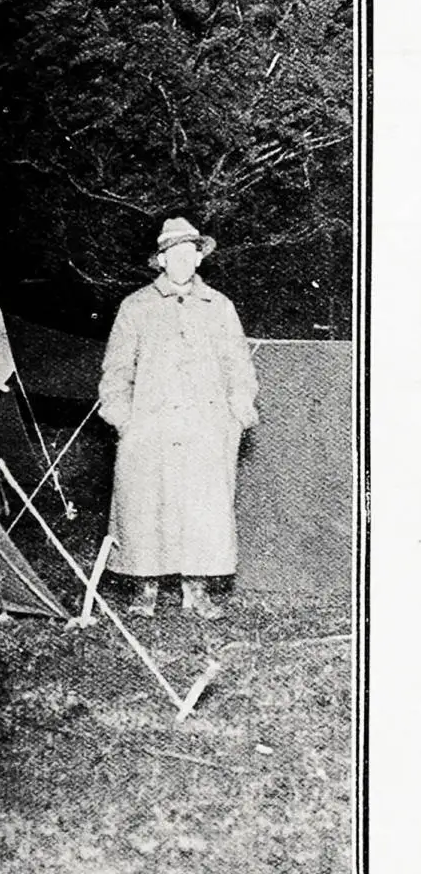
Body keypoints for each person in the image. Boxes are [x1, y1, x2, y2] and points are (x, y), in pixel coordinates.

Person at [98, 216, 258, 620]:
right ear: (162, 260)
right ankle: (145, 590)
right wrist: (122, 418)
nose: (184, 261)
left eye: (191, 253)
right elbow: (117, 370)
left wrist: (237, 415)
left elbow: (240, 367)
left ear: (199, 259)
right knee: (144, 505)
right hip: (150, 427)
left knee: (202, 507)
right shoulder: (136, 307)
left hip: (206, 427)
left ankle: (197, 592)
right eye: (175, 254)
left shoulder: (219, 307)